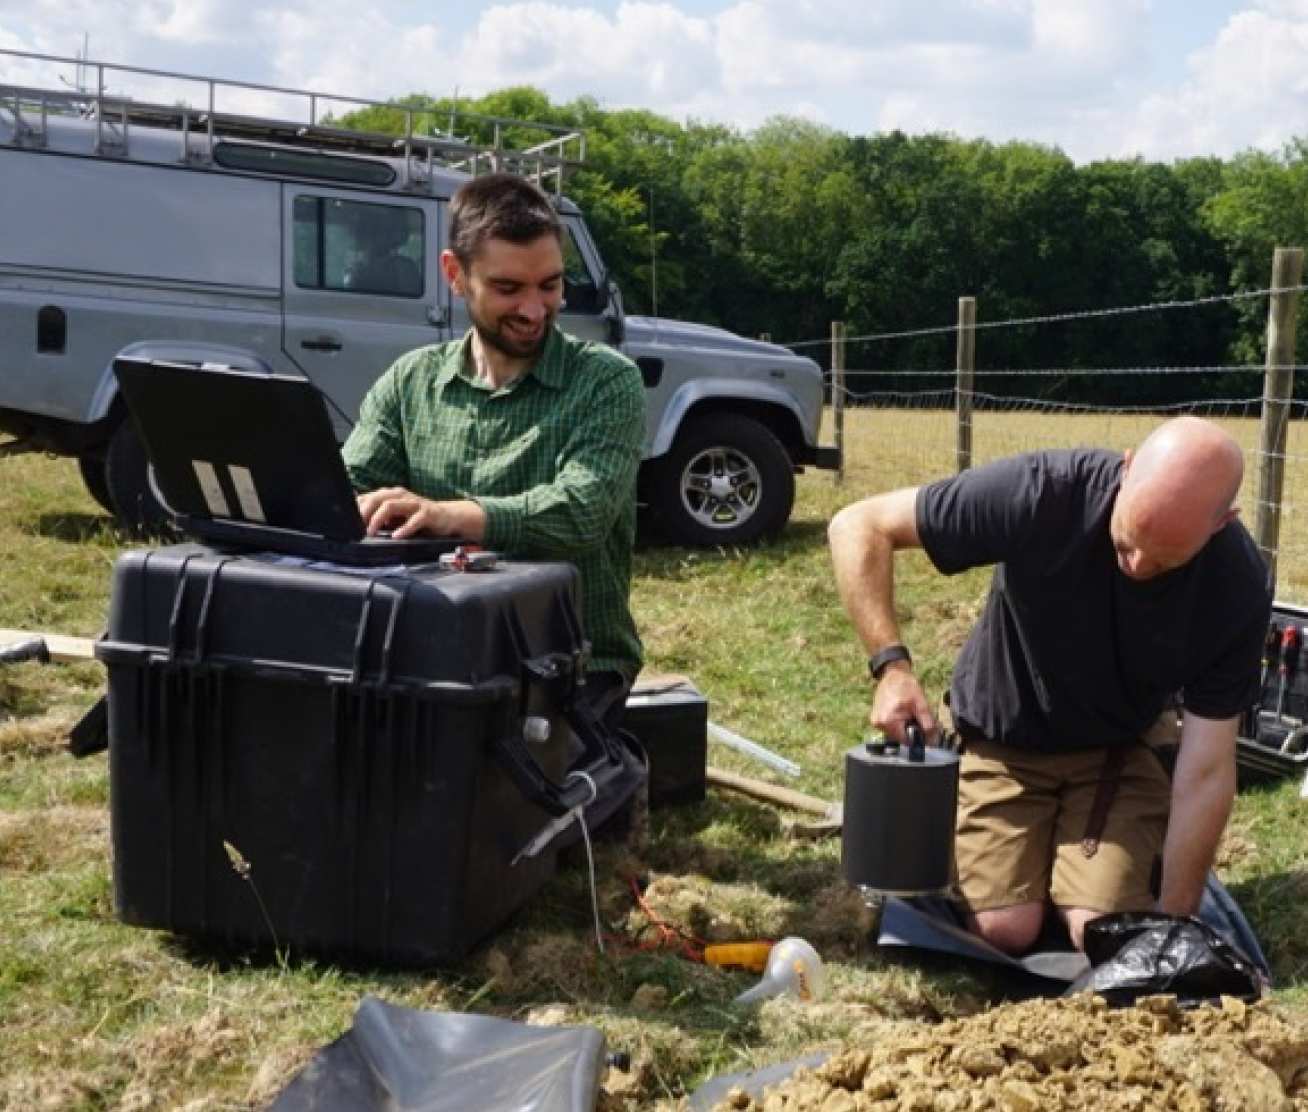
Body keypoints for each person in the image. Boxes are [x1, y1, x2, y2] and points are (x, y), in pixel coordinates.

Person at [828, 416, 1270, 954]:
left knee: (1100, 931)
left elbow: (1207, 767)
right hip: (1002, 737)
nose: (1136, 565)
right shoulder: (1041, 493)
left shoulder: (1235, 586)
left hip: (1118, 748)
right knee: (1005, 929)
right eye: (1128, 541)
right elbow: (857, 525)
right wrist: (891, 668)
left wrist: (1172, 930)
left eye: (1165, 560)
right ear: (1127, 468)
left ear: (1222, 522)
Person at [342, 172, 645, 726]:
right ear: (455, 275)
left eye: (550, 285)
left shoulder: (606, 382)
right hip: (422, 646)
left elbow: (582, 514)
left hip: (569, 664)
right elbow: (349, 489)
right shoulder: (410, 382)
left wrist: (447, 516)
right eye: (509, 289)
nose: (534, 310)